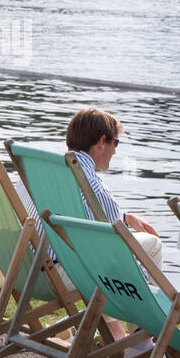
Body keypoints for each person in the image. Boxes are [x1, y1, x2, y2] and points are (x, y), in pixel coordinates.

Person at [64, 107, 164, 269]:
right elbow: (115, 247)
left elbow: (73, 209)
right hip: (72, 270)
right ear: (102, 142)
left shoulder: (43, 172)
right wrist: (139, 276)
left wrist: (125, 217)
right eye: (115, 143)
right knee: (153, 243)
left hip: (32, 267)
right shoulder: (93, 187)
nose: (115, 151)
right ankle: (150, 295)